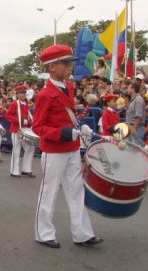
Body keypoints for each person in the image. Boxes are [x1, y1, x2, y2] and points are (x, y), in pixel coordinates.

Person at [32, 45, 102, 248]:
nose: (70, 67)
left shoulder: (68, 87)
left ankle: (82, 233)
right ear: (52, 67)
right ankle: (43, 233)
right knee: (49, 192)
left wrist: (81, 127)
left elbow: (67, 116)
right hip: (54, 150)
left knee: (76, 189)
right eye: (66, 63)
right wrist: (60, 133)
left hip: (71, 147)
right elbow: (37, 126)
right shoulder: (45, 94)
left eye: (70, 62)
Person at [5, 85, 35, 178]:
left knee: (30, 148)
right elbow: (8, 116)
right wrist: (20, 120)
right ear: (17, 94)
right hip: (16, 129)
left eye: (24, 93)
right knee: (16, 150)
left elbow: (27, 116)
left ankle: (26, 169)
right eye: (21, 93)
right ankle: (14, 171)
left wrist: (30, 122)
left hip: (25, 130)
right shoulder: (14, 104)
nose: (23, 94)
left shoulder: (25, 104)